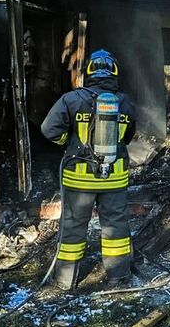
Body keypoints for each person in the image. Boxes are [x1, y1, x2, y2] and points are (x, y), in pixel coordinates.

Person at [41, 49, 136, 289]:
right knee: (116, 228)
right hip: (113, 178)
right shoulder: (124, 102)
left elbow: (49, 129)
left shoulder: (71, 100)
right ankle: (119, 276)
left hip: (79, 179)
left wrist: (69, 144)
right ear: (115, 72)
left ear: (89, 72)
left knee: (73, 228)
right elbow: (128, 137)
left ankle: (65, 281)